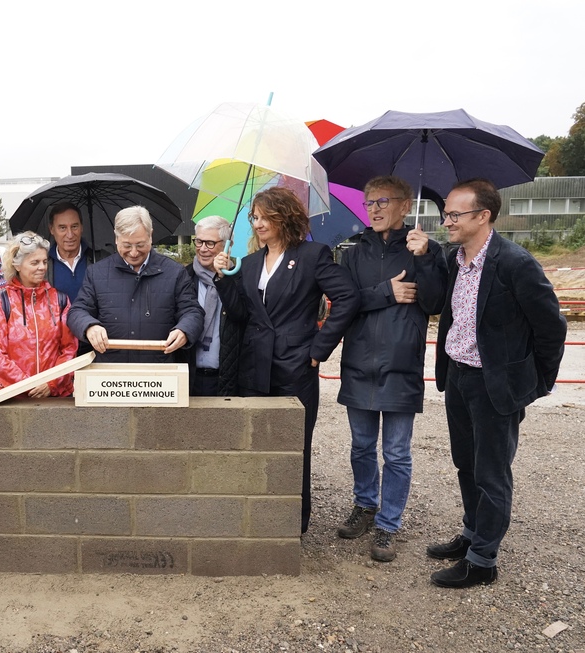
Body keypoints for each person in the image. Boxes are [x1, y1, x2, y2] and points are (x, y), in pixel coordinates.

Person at [428, 179, 566, 588]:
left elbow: (550, 327)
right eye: (446, 214)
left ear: (482, 216)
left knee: (491, 472)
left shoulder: (514, 262)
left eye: (455, 214)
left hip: (495, 384)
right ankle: (472, 533)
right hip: (458, 375)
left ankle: (483, 561)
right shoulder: (456, 260)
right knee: (465, 464)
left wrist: (537, 380)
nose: (446, 221)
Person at [213, 187, 359, 533]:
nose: (258, 223)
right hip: (254, 370)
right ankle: (258, 521)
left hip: (295, 368)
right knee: (256, 447)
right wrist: (222, 278)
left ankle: (294, 524)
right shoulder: (248, 263)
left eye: (265, 217)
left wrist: (318, 349)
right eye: (255, 217)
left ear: (284, 217)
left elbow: (348, 298)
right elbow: (240, 313)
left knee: (295, 449)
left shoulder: (313, 255)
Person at [335, 176, 448, 562]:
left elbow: (433, 302)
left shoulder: (426, 249)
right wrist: (387, 292)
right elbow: (344, 303)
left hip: (402, 363)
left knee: (397, 452)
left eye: (385, 201)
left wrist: (427, 257)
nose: (376, 208)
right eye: (370, 203)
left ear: (406, 205)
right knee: (361, 447)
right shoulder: (352, 253)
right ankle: (365, 505)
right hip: (358, 361)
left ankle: (388, 524)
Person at [67, 205, 204, 363]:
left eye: (140, 245)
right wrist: (89, 326)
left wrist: (184, 330)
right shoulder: (97, 273)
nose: (133, 252)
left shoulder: (175, 272)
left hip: (158, 371)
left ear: (150, 236)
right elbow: (77, 311)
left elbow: (193, 311)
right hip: (111, 371)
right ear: (116, 238)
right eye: (126, 245)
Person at [0, 232, 79, 397]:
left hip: (56, 396)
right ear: (17, 265)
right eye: (35, 262)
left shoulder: (60, 300)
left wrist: (51, 383)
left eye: (44, 262)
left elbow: (69, 349)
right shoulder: (0, 302)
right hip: (15, 397)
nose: (42, 267)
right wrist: (29, 386)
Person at [181, 215, 242, 396]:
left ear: (227, 245)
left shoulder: (241, 278)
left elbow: (240, 315)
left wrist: (223, 280)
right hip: (189, 375)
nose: (202, 249)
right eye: (198, 242)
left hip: (226, 377)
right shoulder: (183, 277)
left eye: (210, 243)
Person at [46, 201, 95, 302]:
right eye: (63, 228)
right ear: (51, 229)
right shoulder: (42, 265)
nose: (70, 234)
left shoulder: (98, 259)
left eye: (74, 226)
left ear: (82, 227)